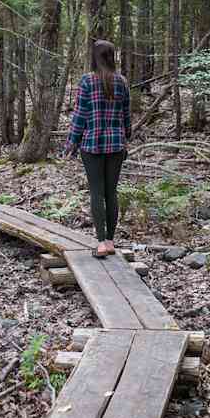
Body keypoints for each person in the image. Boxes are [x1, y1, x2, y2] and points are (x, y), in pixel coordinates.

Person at [64, 40, 132, 258]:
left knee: (97, 191)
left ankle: (101, 242)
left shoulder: (87, 81)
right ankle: (110, 241)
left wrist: (71, 143)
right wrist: (126, 136)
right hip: (116, 145)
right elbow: (126, 115)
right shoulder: (122, 82)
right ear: (112, 57)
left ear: (94, 58)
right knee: (111, 192)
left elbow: (80, 115)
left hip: (92, 144)